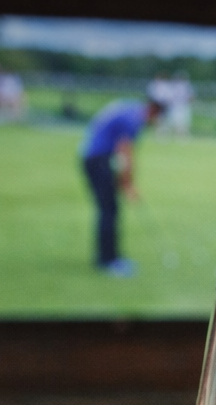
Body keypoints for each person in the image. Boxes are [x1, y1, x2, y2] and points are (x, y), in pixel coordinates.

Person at [80, 96, 164, 277]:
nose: (155, 123)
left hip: (96, 159)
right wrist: (128, 185)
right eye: (157, 119)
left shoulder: (132, 109)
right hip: (97, 160)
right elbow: (125, 154)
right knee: (109, 210)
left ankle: (111, 257)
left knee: (110, 209)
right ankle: (107, 261)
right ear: (154, 112)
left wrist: (123, 182)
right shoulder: (134, 120)